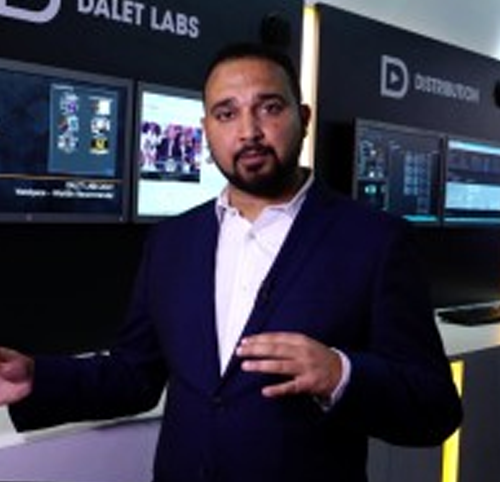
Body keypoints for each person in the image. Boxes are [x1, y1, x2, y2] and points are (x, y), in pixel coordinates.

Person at [0, 42, 462, 482]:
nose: (249, 132)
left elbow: (434, 408)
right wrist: (37, 379)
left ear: (303, 118)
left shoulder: (375, 240)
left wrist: (340, 374)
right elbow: (134, 375)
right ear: (206, 130)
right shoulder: (172, 242)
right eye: (227, 113)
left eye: (270, 108)